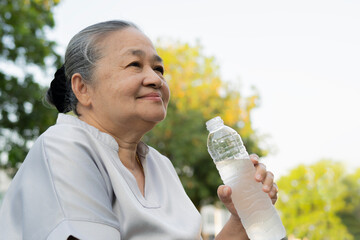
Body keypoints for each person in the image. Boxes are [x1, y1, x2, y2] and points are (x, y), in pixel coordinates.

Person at [0, 20, 279, 240]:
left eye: (159, 69)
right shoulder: (65, 146)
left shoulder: (161, 166)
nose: (155, 79)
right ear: (82, 88)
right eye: (135, 65)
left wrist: (244, 218)